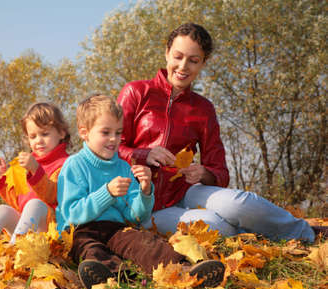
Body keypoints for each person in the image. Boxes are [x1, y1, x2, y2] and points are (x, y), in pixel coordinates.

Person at [117, 23, 319, 242]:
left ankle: (307, 233)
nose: (183, 66)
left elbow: (220, 171)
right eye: (178, 56)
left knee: (241, 203)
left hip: (186, 191)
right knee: (215, 226)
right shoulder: (136, 92)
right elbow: (109, 149)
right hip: (144, 203)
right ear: (166, 53)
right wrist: (144, 154)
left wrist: (203, 173)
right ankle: (257, 237)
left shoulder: (203, 108)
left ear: (203, 63)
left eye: (194, 60)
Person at [56, 95, 225, 289]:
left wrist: (145, 192)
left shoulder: (123, 167)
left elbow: (135, 216)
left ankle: (184, 271)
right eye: (105, 132)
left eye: (118, 133)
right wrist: (107, 193)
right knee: (89, 249)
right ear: (84, 133)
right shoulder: (74, 165)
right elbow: (72, 214)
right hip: (81, 229)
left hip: (116, 228)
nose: (113, 139)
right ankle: (111, 279)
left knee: (144, 242)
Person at [0, 102, 70, 254]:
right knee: (4, 210)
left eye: (45, 134)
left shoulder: (66, 164)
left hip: (51, 232)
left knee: (35, 204)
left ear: (61, 133)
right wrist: (3, 178)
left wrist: (36, 170)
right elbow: (18, 204)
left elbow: (53, 195)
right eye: (33, 136)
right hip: (25, 232)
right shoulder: (25, 166)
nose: (38, 141)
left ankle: (13, 256)